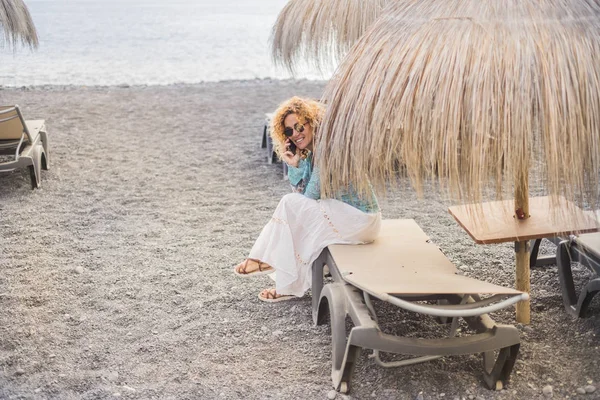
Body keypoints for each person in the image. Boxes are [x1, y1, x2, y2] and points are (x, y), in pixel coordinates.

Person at [234, 96, 381, 302]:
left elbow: (307, 198)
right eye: (288, 131)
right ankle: (284, 283)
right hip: (345, 216)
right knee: (293, 210)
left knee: (289, 203)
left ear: (312, 123)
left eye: (299, 127)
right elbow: (302, 200)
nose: (295, 134)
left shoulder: (328, 150)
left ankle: (265, 259)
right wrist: (294, 165)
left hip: (361, 220)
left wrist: (298, 174)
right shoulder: (312, 154)